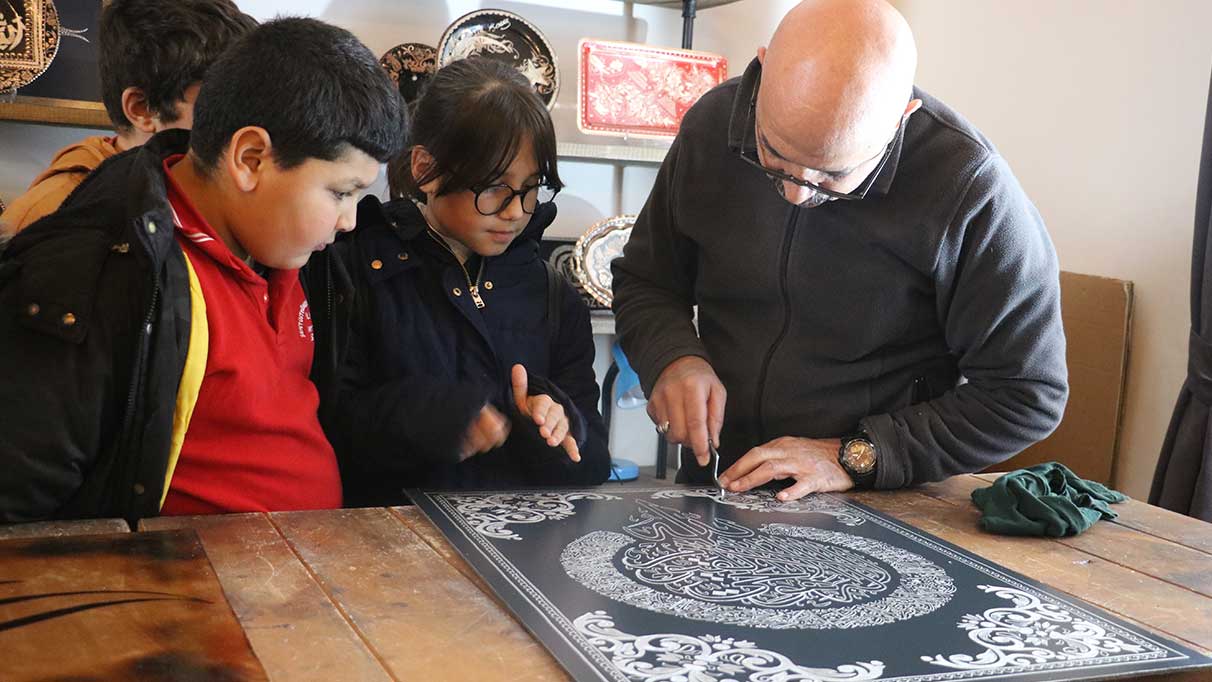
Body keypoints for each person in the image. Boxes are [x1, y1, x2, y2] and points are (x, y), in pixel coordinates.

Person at [611, 0, 1068, 501]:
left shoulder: (969, 187)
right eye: (775, 157)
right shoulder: (710, 125)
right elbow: (647, 281)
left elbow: (1026, 394)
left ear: (901, 120)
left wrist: (856, 454)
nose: (797, 194)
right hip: (722, 481)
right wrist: (673, 358)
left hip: (881, 497)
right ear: (761, 71)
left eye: (834, 176)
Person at [0, 18, 407, 523]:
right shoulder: (106, 271)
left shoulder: (292, 250)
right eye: (341, 193)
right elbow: (19, 502)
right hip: (183, 587)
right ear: (251, 158)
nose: (349, 221)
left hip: (304, 571)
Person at [307, 57, 611, 506]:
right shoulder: (354, 268)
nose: (514, 211)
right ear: (426, 170)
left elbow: (594, 462)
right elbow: (329, 433)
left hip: (517, 549)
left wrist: (555, 425)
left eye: (530, 189)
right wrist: (432, 418)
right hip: (391, 551)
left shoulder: (550, 293)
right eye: (493, 187)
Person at [0, 0, 257, 235]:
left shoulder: (217, 191)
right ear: (142, 109)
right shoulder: (55, 216)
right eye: (215, 102)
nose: (239, 121)